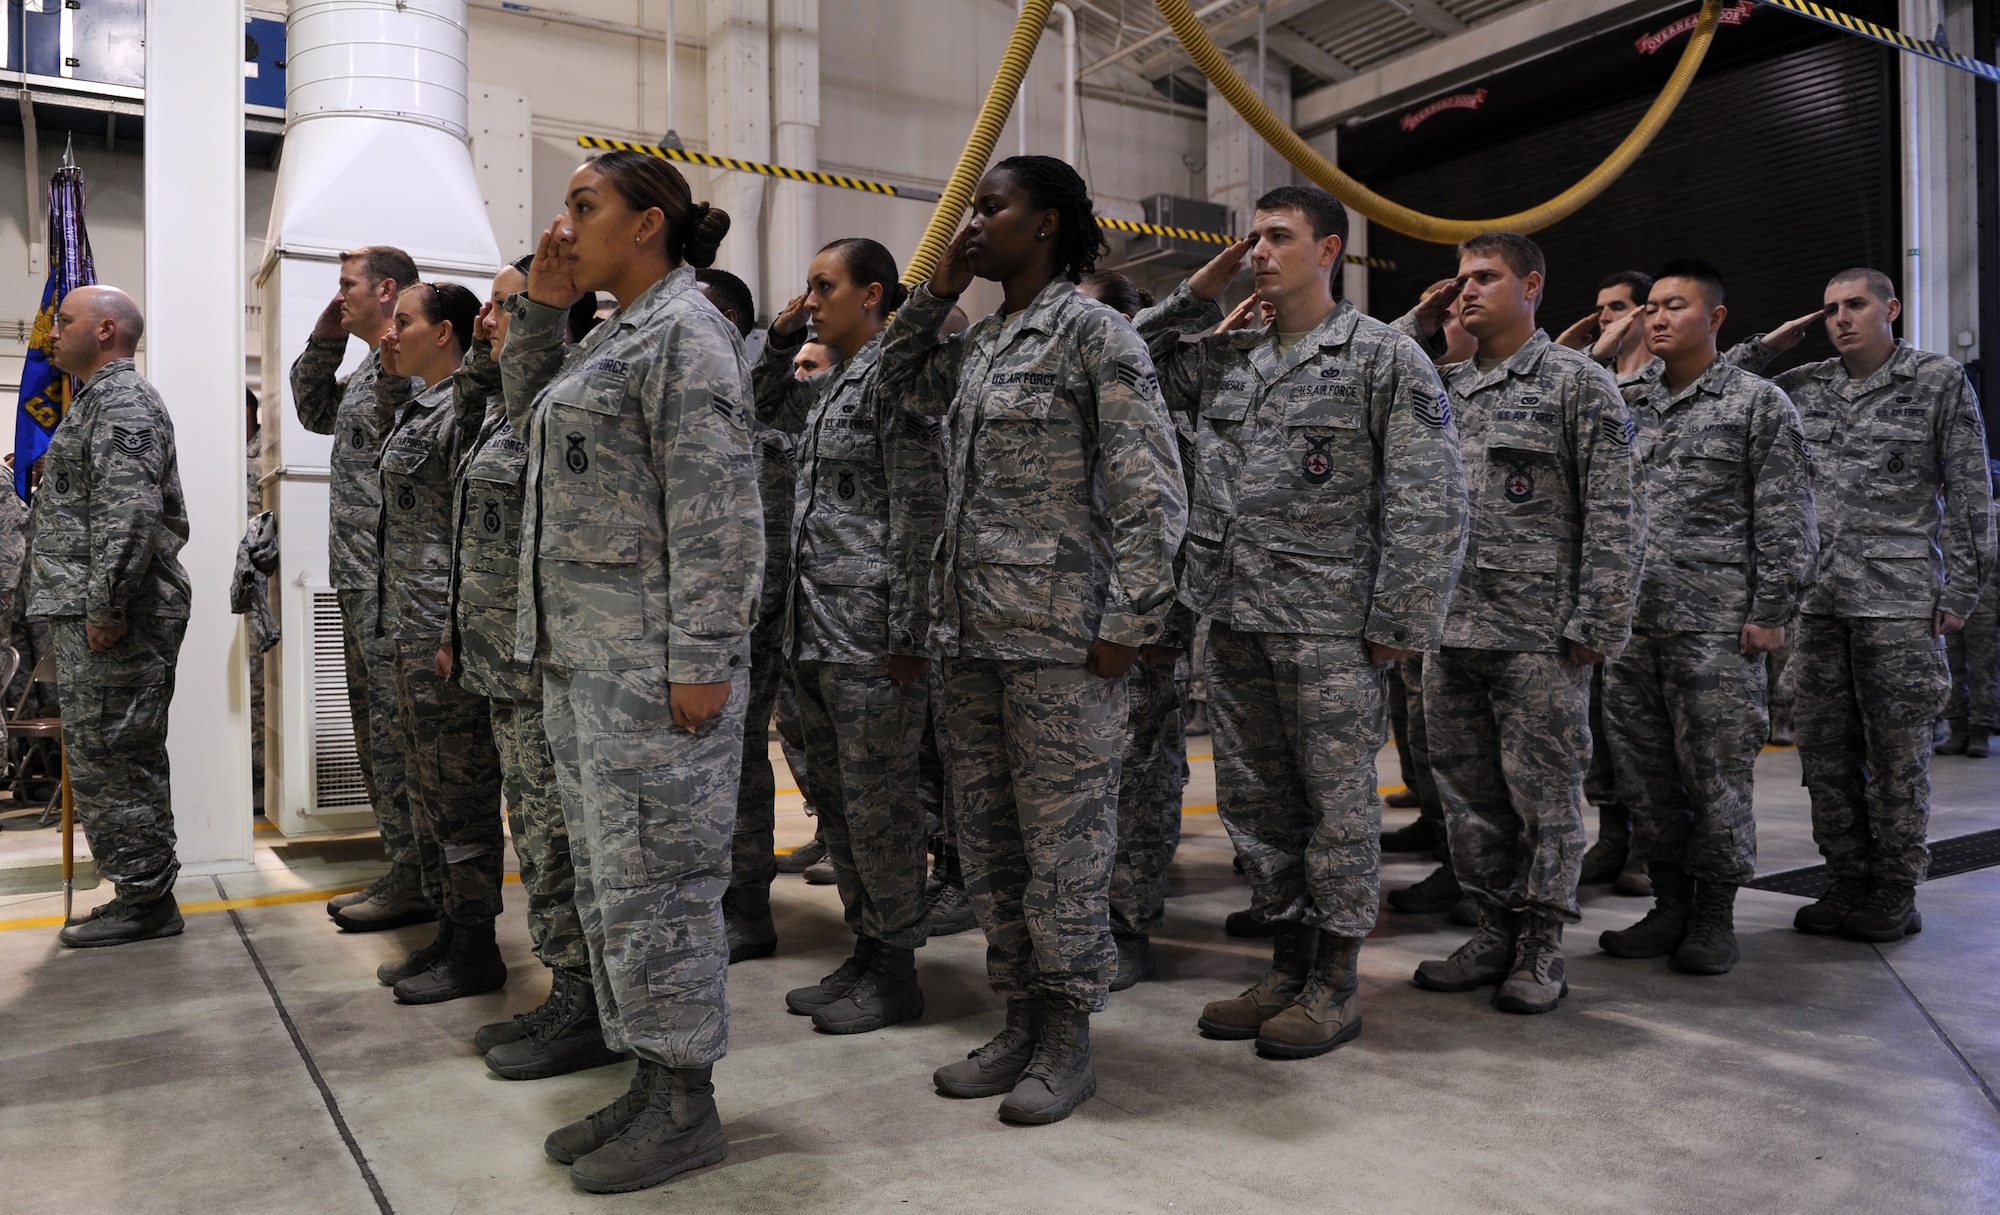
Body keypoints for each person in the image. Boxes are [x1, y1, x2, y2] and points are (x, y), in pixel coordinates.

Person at [878, 155, 1185, 1124]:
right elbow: (887, 387)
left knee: (1064, 851)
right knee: (992, 847)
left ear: (1045, 223)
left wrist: (1127, 626)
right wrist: (932, 294)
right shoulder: (982, 344)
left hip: (1061, 645)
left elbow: (1149, 490)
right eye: (971, 208)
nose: (973, 223)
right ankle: (1017, 1018)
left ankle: (1067, 1037)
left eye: (991, 207)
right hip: (972, 636)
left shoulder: (1094, 335)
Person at [1139, 186, 1467, 1055]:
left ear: (1330, 250)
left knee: (1335, 805)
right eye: (1252, 237)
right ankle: (1287, 962)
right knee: (1257, 802)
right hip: (1236, 613)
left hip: (1331, 625)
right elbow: (1131, 360)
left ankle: (1335, 980)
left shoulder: (1382, 356)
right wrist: (1200, 288)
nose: (1259, 251)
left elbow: (1429, 495)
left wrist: (1401, 614)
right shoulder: (1226, 355)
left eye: (1279, 237)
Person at [502, 149, 759, 1192]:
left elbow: (719, 514)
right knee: (615, 887)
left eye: (583, 205)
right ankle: (652, 1078)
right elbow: (526, 436)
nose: (563, 225)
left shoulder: (688, 334)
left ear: (647, 223)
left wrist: (701, 660)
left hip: (653, 675)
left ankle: (687, 1101)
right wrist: (538, 311)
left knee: (663, 888)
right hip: (585, 662)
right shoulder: (612, 333)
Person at [1396, 233, 1639, 1016]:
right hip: (1448, 632)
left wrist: (1600, 616)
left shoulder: (1579, 384)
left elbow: (1617, 511)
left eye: (1485, 277)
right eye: (1461, 279)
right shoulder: (1442, 388)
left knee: (1547, 797)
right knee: (1467, 798)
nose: (1467, 291)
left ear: (1532, 284)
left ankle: (1541, 946)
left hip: (1540, 635)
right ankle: (1493, 928)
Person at [1734, 269, 1995, 941]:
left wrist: (1962, 590)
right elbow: (1720, 388)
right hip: (1818, 604)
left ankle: (1895, 888)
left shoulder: (1936, 382)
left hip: (1901, 603)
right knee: (1823, 752)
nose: (1841, 318)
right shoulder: (1805, 385)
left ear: (1891, 308)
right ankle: (1846, 876)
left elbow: (1969, 492)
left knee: (1899, 757)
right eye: (1829, 309)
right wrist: (1769, 343)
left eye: (1855, 305)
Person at [1595, 260, 1816, 975]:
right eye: (1651, 308)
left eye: (1675, 306)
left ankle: (1715, 915)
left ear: (1715, 318)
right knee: (1646, 777)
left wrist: (1771, 611)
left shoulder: (1758, 403)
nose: (1656, 319)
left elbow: (1786, 519)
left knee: (1716, 777)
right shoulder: (1622, 399)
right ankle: (1668, 906)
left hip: (1716, 630)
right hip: (1632, 629)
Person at [756, 237, 947, 1032]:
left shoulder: (892, 383)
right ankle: (867, 947)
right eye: (806, 288)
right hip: (815, 629)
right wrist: (777, 334)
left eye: (823, 287)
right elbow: (760, 402)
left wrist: (908, 631)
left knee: (883, 810)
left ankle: (897, 966)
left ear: (872, 295)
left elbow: (918, 511)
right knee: (837, 809)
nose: (811, 301)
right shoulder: (831, 383)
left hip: (871, 639)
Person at [446, 257, 618, 1076]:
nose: (487, 319)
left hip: (547, 665)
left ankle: (588, 1004)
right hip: (501, 666)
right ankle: (567, 992)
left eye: (506, 306)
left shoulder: (567, 406)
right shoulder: (505, 412)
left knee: (561, 844)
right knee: (538, 843)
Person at [367, 281, 511, 1003]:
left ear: (446, 332)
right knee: (426, 787)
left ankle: (477, 943)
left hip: (442, 631)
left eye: (403, 322)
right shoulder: (417, 405)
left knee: (460, 789)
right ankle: (452, 929)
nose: (389, 334)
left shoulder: (465, 406)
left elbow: (466, 529)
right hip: (410, 623)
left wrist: (453, 626)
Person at [33, 287, 191, 948]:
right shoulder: (96, 401)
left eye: (62, 320)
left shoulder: (122, 401)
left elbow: (129, 515)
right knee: (104, 752)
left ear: (104, 330)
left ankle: (148, 897)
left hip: (114, 616)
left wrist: (104, 604)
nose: (49, 331)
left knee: (119, 752)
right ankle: (138, 889)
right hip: (96, 610)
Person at [294, 245, 432, 934]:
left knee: (399, 741)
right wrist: (325, 335)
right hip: (358, 583)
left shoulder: (410, 375)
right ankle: (405, 867)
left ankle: (419, 875)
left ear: (386, 290)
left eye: (346, 284)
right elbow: (312, 409)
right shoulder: (367, 374)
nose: (339, 293)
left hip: (396, 591)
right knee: (376, 738)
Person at [1080, 269, 1191, 991]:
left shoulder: (1154, 398)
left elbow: (1171, 520)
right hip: (1073, 625)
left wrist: (1152, 625)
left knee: (1142, 778)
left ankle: (1131, 922)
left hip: (1142, 626)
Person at [695, 264, 801, 964]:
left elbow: (763, 380)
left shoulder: (766, 394)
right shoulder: (692, 396)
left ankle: (747, 907)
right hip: (689, 607)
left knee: (735, 759)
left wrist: (783, 340)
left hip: (747, 611)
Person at [1937, 460, 2000, 758]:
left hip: (1984, 606)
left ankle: (1981, 731)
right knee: (1951, 669)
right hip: (1944, 603)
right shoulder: (1939, 513)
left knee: (1984, 672)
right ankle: (1957, 729)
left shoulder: (1994, 516)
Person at [1556, 270, 1654, 384]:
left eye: (1617, 307)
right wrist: (1557, 356)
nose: (1604, 318)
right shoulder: (1584, 359)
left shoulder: (1670, 367)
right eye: (1600, 310)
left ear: (1646, 312)